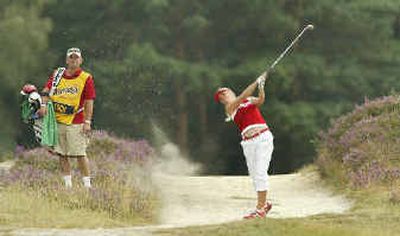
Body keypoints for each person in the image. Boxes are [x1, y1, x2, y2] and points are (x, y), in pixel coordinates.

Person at [214, 72, 274, 219]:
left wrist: (261, 86)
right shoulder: (230, 107)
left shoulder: (248, 99)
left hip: (262, 138)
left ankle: (260, 209)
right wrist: (256, 80)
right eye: (220, 97)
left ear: (230, 91)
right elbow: (242, 97)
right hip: (248, 143)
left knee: (260, 173)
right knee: (254, 176)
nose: (223, 96)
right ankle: (264, 204)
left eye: (224, 92)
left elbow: (260, 101)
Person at [39, 47, 96, 188]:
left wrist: (87, 122)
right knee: (61, 153)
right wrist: (43, 105)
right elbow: (46, 90)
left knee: (79, 153)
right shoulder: (57, 74)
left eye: (76, 57)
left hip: (76, 121)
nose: (74, 60)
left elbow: (89, 101)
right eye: (71, 57)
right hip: (57, 120)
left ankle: (87, 185)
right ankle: (68, 185)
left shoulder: (86, 78)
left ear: (81, 60)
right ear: (67, 60)